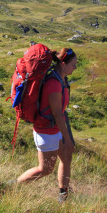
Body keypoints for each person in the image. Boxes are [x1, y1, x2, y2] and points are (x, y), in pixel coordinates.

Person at [16, 47, 77, 200]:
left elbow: (59, 113)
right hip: (47, 131)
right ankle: (14, 185)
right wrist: (67, 138)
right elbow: (56, 113)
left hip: (56, 127)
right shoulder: (54, 83)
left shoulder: (61, 78)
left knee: (66, 157)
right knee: (45, 169)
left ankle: (64, 194)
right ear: (63, 65)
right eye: (73, 64)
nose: (75, 67)